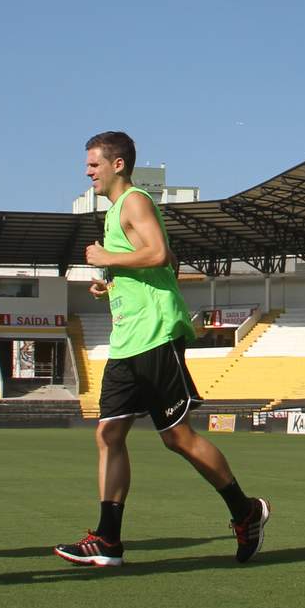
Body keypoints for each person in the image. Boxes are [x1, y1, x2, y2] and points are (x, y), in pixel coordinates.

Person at [54, 131, 269, 567]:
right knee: (108, 433)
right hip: (127, 340)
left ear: (118, 165)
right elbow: (160, 263)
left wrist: (104, 260)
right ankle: (108, 541)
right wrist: (111, 280)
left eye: (93, 164)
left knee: (177, 438)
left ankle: (245, 512)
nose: (87, 171)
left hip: (154, 335)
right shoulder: (116, 212)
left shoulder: (135, 202)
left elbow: (159, 253)